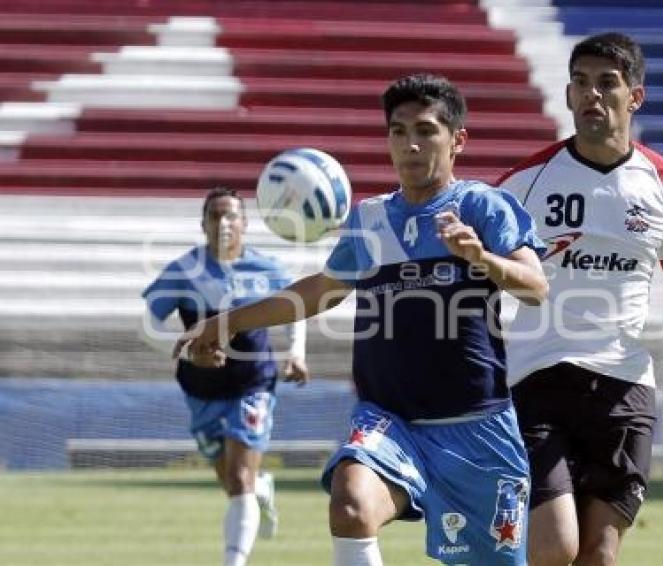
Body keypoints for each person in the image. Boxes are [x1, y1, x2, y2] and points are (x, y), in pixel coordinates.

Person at [172, 73, 549, 565]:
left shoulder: (481, 206)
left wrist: (481, 259)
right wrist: (228, 321)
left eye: (426, 130)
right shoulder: (369, 219)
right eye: (398, 131)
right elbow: (323, 290)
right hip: (388, 419)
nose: (411, 144)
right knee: (350, 504)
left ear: (457, 140)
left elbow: (536, 286)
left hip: (476, 426)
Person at [497, 33, 663, 565]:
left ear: (635, 97)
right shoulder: (522, 185)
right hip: (538, 379)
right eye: (581, 83)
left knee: (600, 555)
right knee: (554, 547)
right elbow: (482, 272)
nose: (593, 95)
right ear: (566, 95)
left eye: (607, 83)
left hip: (624, 386)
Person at [142, 187, 309, 566]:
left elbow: (295, 309)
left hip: (253, 384)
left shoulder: (266, 269)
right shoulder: (184, 271)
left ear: (245, 224)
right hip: (200, 389)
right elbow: (149, 322)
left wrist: (295, 353)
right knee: (232, 483)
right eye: (215, 216)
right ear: (203, 224)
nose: (224, 223)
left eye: (232, 215)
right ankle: (261, 487)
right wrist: (186, 351)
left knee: (237, 481)